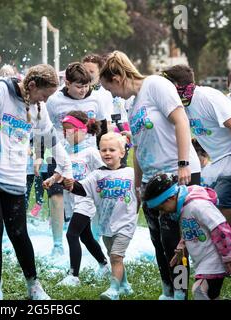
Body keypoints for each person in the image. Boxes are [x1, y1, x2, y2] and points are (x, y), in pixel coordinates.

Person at [0, 64, 72, 300]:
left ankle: (34, 286)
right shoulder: (1, 91)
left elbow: (50, 137)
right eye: (44, 94)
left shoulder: (38, 107)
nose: (45, 100)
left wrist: (67, 167)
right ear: (32, 86)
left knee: (19, 231)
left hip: (12, 173)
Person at [99, 51, 201, 300]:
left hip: (176, 174)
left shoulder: (156, 85)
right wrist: (137, 185)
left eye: (110, 87)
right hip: (150, 180)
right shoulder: (131, 104)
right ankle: (168, 291)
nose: (112, 95)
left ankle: (180, 293)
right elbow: (139, 147)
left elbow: (181, 122)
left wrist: (183, 163)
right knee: (158, 241)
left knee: (173, 241)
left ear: (118, 76)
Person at [162, 64, 231, 260]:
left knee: (218, 204)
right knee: (208, 201)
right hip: (221, 160)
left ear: (178, 86)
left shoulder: (208, 97)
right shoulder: (182, 106)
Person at [143, 173, 231, 300]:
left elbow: (220, 227)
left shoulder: (197, 205)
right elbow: (190, 229)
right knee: (212, 296)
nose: (162, 212)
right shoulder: (182, 208)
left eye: (162, 207)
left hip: (214, 258)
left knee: (198, 290)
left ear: (171, 198)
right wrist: (181, 246)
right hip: (203, 261)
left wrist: (229, 256)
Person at [62, 132, 138, 300]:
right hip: (107, 225)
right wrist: (65, 183)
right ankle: (125, 285)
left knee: (116, 256)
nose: (107, 153)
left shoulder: (131, 173)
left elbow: (141, 193)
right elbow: (81, 189)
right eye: (103, 150)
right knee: (113, 256)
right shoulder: (97, 174)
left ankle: (114, 290)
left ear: (122, 153)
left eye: (112, 150)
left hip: (126, 223)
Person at [45, 62, 110, 255]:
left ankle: (95, 239)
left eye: (86, 86)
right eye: (78, 86)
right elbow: (44, 127)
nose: (83, 91)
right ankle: (57, 244)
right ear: (67, 82)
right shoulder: (54, 100)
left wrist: (104, 150)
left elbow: (102, 126)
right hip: (58, 153)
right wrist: (40, 155)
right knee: (56, 197)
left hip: (88, 155)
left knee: (93, 196)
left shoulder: (96, 99)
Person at [43, 111, 110, 288]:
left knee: (72, 234)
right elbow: (60, 170)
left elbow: (103, 172)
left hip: (86, 200)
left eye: (70, 130)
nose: (66, 134)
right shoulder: (65, 151)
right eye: (64, 130)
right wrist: (51, 180)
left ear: (82, 130)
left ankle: (74, 276)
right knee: (86, 237)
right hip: (72, 201)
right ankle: (104, 264)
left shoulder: (91, 152)